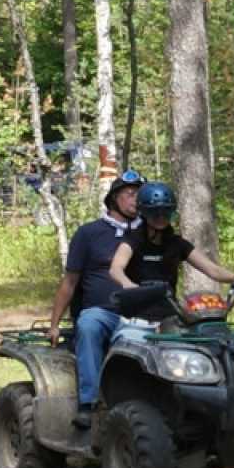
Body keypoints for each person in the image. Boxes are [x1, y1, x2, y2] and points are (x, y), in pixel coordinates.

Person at [47, 169, 146, 429]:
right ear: (114, 198)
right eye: (131, 194)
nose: (137, 200)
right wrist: (54, 323)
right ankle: (87, 403)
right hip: (101, 312)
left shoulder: (150, 233)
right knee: (88, 326)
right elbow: (70, 282)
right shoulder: (89, 233)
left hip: (142, 314)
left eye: (141, 195)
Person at [108, 182, 234, 341]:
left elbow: (213, 270)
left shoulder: (177, 244)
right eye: (155, 213)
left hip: (170, 320)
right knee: (130, 345)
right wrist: (128, 285)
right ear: (144, 213)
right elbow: (115, 268)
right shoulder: (132, 240)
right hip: (136, 320)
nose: (161, 217)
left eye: (166, 212)